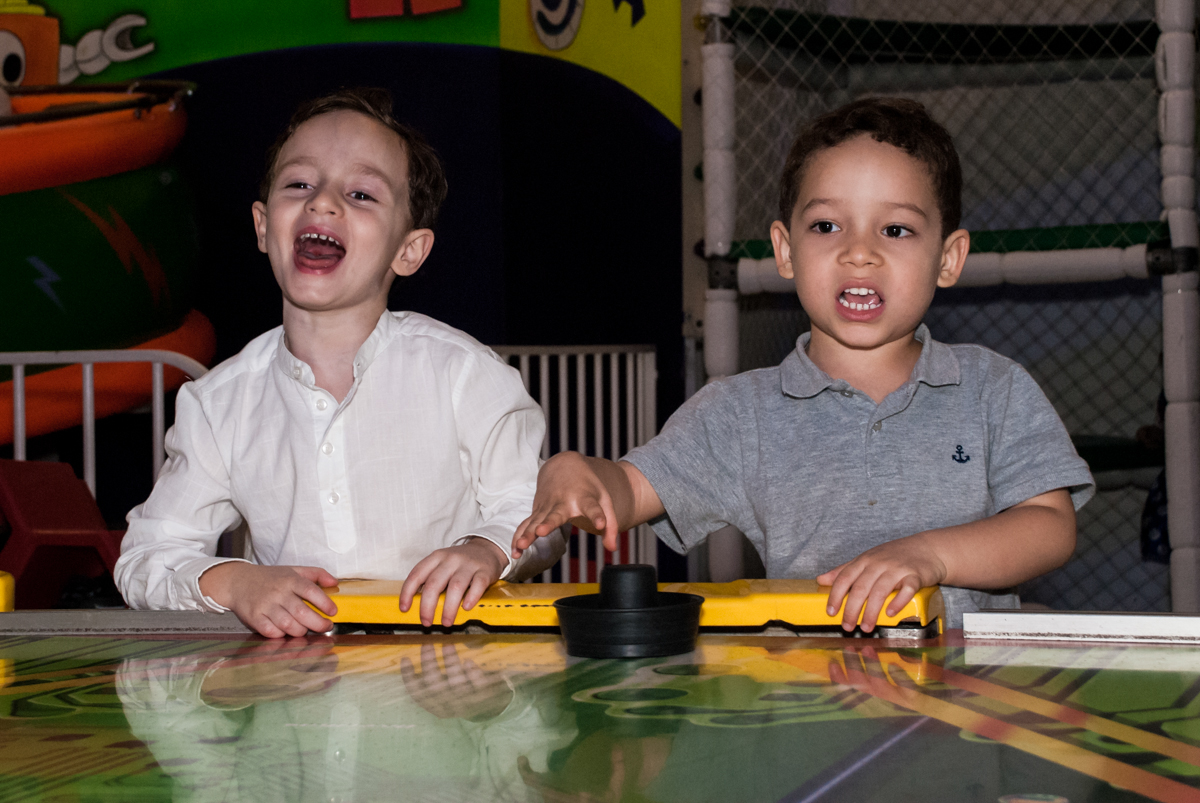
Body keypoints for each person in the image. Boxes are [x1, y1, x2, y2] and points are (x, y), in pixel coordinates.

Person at [513, 97, 1093, 630]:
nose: (859, 251)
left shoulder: (994, 388)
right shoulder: (741, 413)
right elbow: (630, 491)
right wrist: (583, 478)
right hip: (809, 715)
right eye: (826, 226)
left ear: (948, 257)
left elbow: (1050, 526)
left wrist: (929, 556)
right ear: (785, 250)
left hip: (962, 718)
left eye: (896, 229)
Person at [116, 88, 563, 637]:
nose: (322, 202)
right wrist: (235, 581)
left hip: (455, 689)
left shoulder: (464, 374)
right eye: (299, 183)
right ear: (263, 226)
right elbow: (147, 555)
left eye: (361, 193)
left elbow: (535, 511)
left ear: (410, 250)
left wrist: (486, 548)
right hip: (298, 700)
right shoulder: (219, 404)